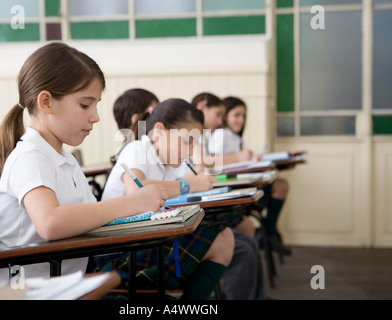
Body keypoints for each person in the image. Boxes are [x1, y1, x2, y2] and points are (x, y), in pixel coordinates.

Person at [0, 42, 168, 280]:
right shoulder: (30, 157)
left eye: (96, 105)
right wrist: (132, 202)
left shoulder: (64, 158)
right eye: (85, 105)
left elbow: (93, 220)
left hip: (63, 284)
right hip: (24, 293)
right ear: (46, 102)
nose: (96, 116)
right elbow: (50, 223)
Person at [98, 98, 234, 300]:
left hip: (150, 238)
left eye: (194, 143)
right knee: (222, 239)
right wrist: (186, 184)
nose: (190, 150)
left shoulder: (168, 162)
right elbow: (136, 190)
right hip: (122, 249)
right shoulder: (138, 149)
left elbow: (190, 180)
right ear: (159, 131)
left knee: (223, 234)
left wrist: (193, 164)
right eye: (187, 141)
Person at [189, 92, 267, 300]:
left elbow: (206, 169)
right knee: (243, 239)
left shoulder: (201, 138)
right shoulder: (192, 140)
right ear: (201, 107)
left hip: (205, 203)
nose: (220, 120)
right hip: (198, 213)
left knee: (247, 240)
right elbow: (205, 166)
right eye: (218, 114)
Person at [210, 96, 292, 256]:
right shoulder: (221, 134)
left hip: (246, 184)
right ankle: (268, 235)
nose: (241, 120)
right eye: (237, 115)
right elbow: (213, 162)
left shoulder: (236, 137)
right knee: (280, 185)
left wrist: (253, 159)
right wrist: (239, 157)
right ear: (225, 115)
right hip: (236, 189)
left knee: (281, 184)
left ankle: (269, 233)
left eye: (244, 116)